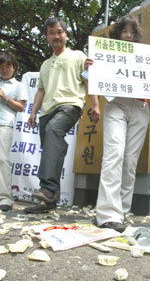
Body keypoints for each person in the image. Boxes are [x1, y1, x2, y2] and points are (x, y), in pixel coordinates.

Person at [25, 17, 100, 213]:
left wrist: (95, 105)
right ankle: (49, 203)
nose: (56, 36)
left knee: (53, 132)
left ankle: (48, 189)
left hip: (70, 106)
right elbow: (41, 90)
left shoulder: (78, 56)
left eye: (59, 32)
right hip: (46, 111)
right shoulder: (45, 64)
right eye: (52, 33)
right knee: (51, 149)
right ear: (47, 37)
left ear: (65, 34)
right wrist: (33, 112)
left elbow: (89, 80)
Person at [86, 16, 150, 232]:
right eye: (124, 31)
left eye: (132, 32)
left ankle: (121, 211)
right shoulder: (106, 54)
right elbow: (90, 78)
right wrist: (90, 66)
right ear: (117, 34)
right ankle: (106, 214)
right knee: (114, 154)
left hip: (140, 108)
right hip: (116, 106)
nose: (129, 35)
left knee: (130, 162)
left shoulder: (146, 56)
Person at [0, 51, 27, 211]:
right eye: (1, 66)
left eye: (8, 66)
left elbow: (21, 107)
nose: (5, 70)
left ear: (14, 67)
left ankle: (5, 199)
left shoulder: (19, 85)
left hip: (3, 124)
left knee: (1, 160)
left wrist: (5, 97)